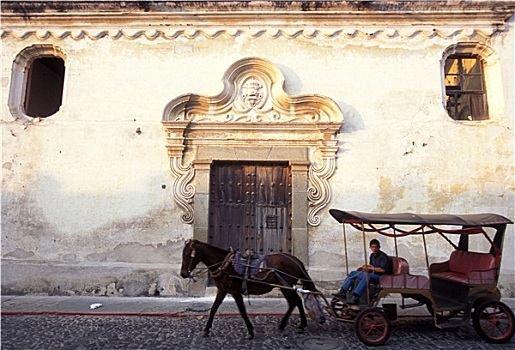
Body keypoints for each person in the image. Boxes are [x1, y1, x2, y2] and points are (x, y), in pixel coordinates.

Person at [333, 239, 390, 304]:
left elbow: (383, 270)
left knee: (366, 277)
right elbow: (371, 267)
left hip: (380, 277)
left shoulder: (383, 256)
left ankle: (356, 297)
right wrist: (366, 267)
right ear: (370, 247)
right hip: (372, 274)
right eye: (373, 247)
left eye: (376, 247)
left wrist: (370, 268)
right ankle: (343, 291)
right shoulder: (372, 256)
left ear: (379, 247)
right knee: (352, 273)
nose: (374, 249)